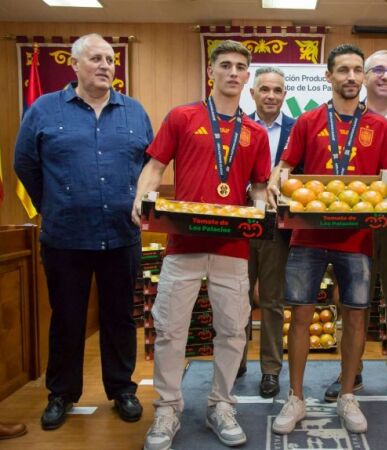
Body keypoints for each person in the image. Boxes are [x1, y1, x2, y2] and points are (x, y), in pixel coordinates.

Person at [132, 40, 270, 450]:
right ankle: (168, 408)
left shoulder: (256, 133)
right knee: (172, 330)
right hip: (182, 245)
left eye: (240, 66)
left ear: (247, 76)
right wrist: (141, 198)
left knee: (231, 332)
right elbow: (154, 168)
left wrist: (259, 210)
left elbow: (260, 186)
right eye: (225, 65)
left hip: (232, 247)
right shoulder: (182, 116)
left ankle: (221, 405)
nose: (232, 72)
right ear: (211, 72)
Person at [14, 33, 152, 430]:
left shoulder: (134, 111)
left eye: (110, 59)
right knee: (67, 318)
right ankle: (62, 393)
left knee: (121, 317)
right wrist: (56, 205)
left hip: (120, 236)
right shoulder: (44, 109)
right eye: (96, 58)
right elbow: (25, 164)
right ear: (74, 65)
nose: (106, 65)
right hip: (65, 238)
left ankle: (122, 389)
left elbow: (149, 166)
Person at [268, 43, 387, 435]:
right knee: (302, 316)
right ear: (329, 77)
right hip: (307, 236)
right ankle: (295, 396)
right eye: (343, 70)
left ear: (364, 76)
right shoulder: (307, 121)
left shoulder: (377, 125)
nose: (351, 77)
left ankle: (347, 395)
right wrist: (277, 181)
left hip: (355, 239)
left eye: (358, 70)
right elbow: (286, 166)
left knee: (356, 316)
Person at [323, 49, 387, 406]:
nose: (385, 76)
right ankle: (352, 370)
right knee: (351, 300)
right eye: (377, 69)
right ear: (364, 75)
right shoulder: (340, 113)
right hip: (352, 221)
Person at [238, 66, 296, 398]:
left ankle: (271, 370)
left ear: (284, 95)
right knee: (236, 298)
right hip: (240, 223)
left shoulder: (296, 128)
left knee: (272, 300)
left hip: (278, 227)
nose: (271, 95)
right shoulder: (239, 127)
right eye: (264, 90)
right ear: (253, 93)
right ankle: (236, 361)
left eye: (277, 90)